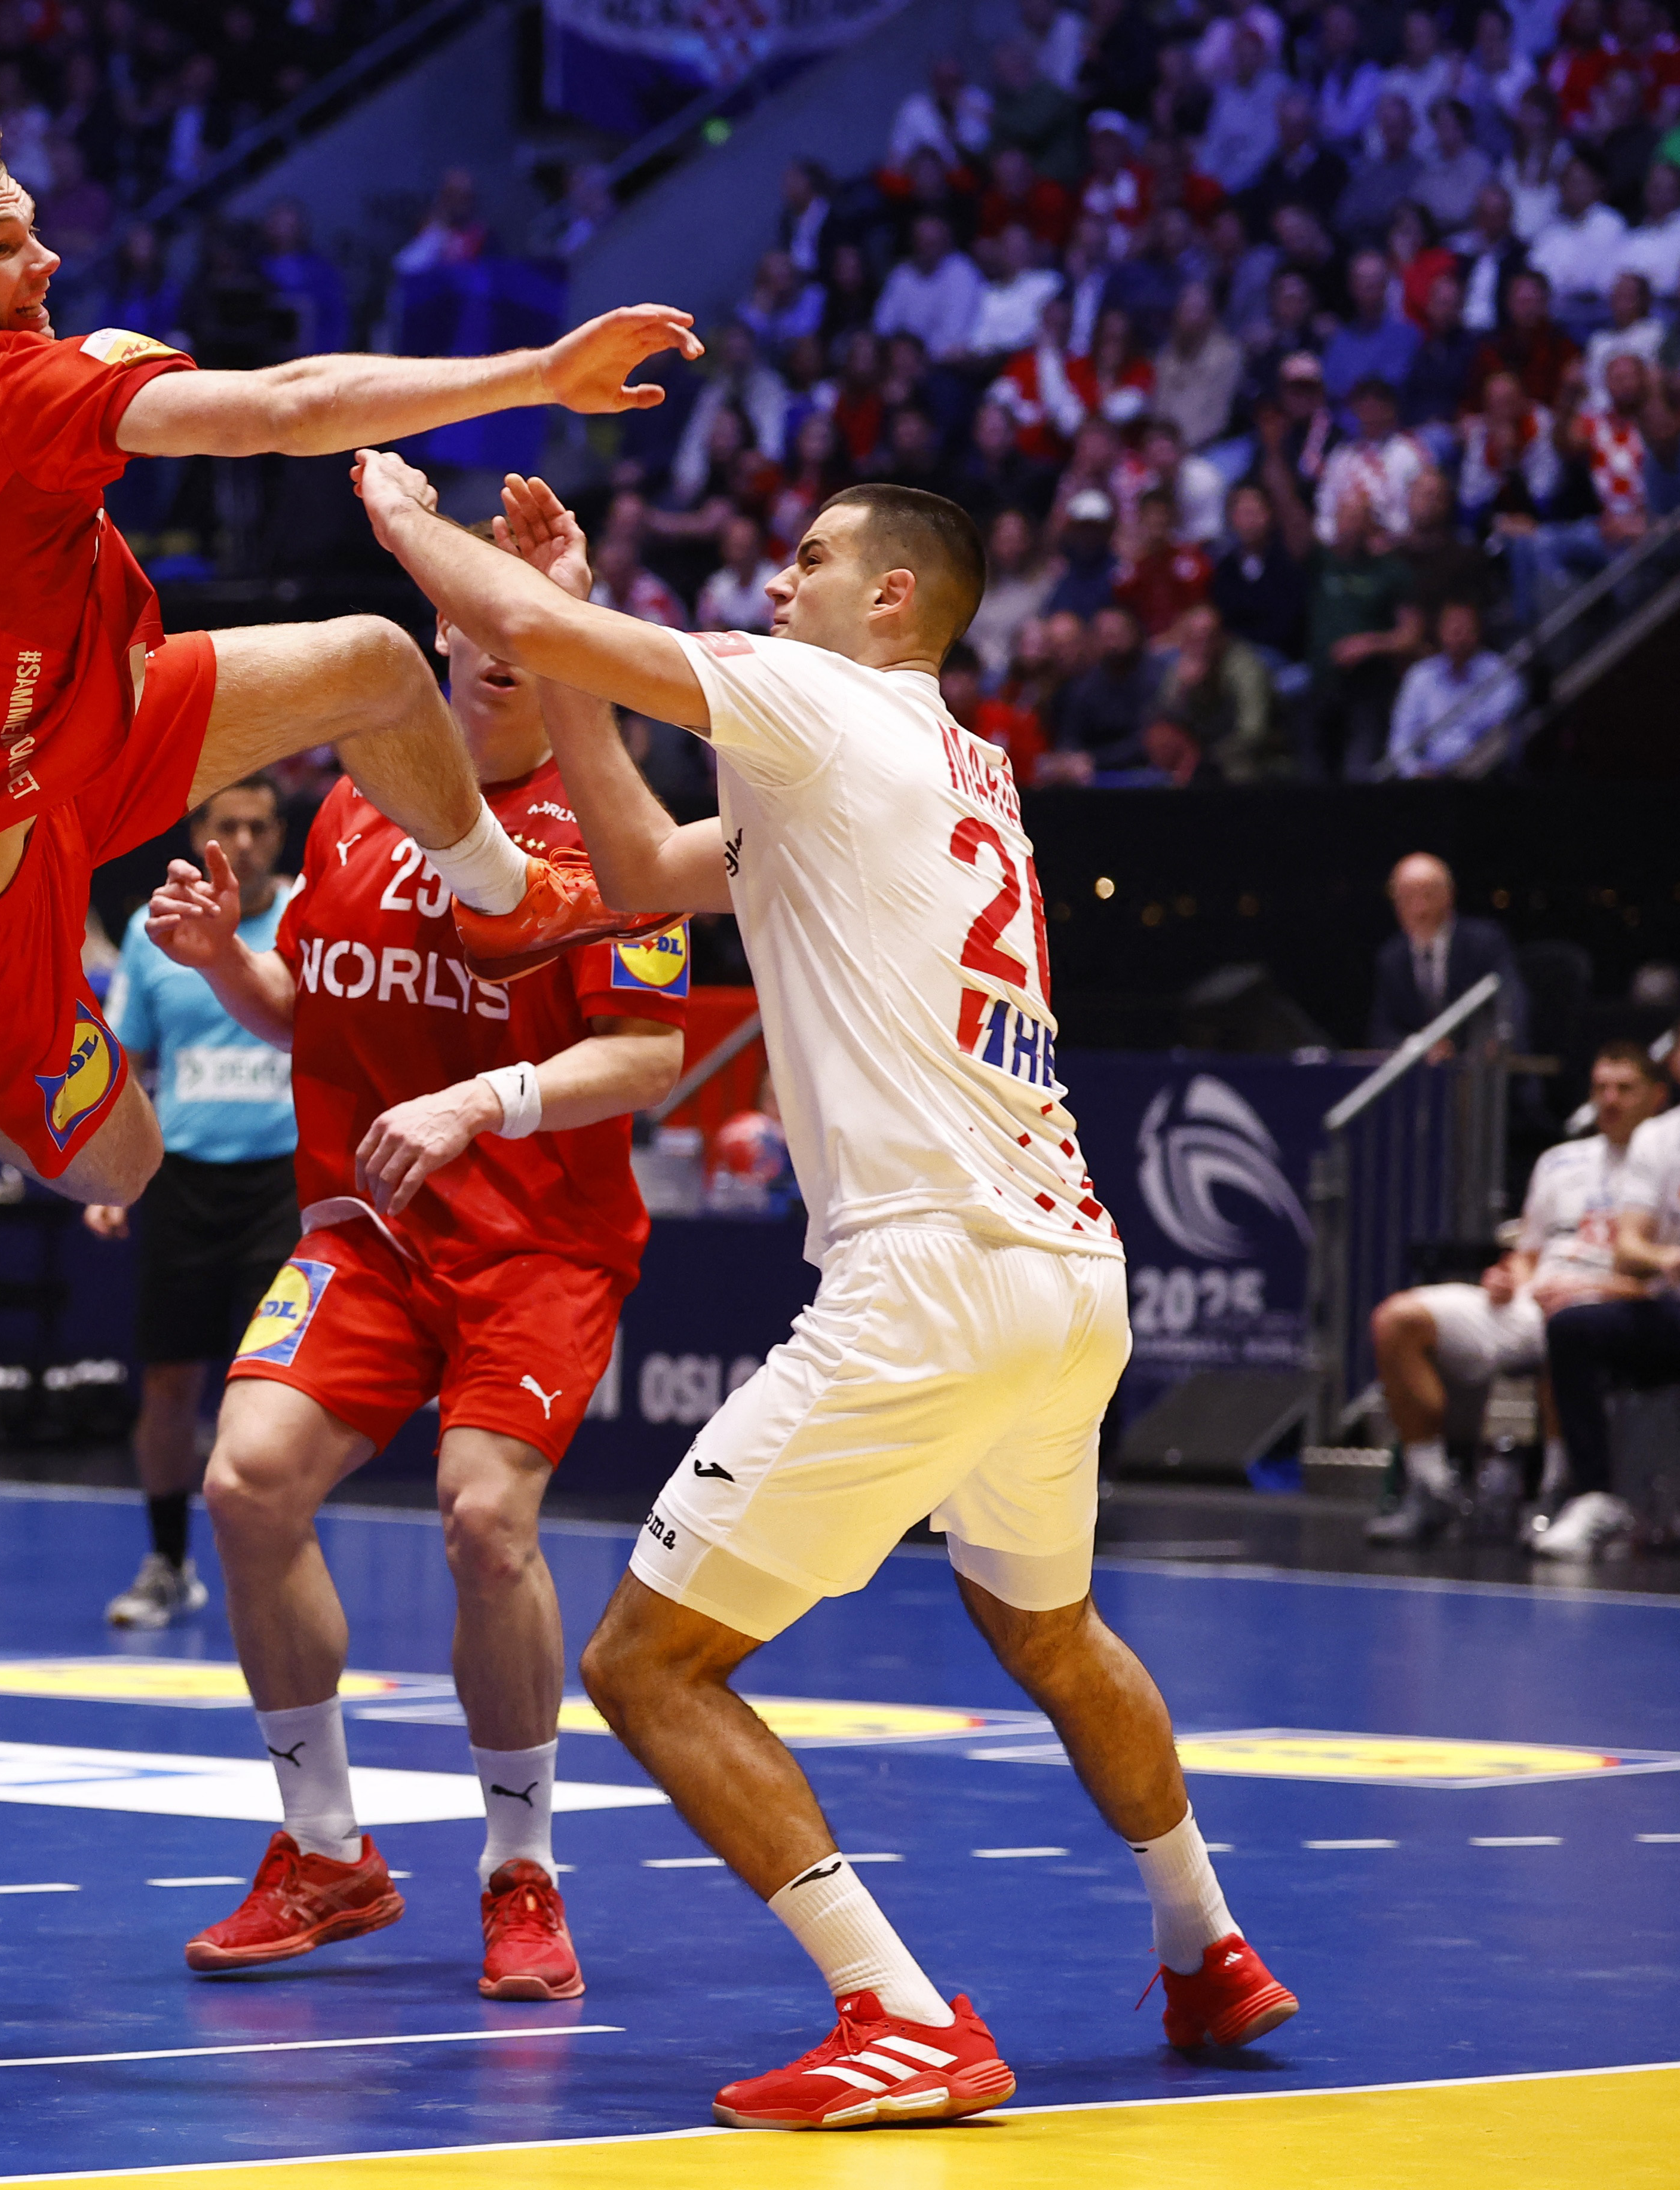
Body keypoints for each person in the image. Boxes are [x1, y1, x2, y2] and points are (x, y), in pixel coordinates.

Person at [352, 462, 1296, 2127]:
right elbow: (640, 862)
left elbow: (496, 622)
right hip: (1068, 1265)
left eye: (804, 561)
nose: (772, 586)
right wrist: (571, 641)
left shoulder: (818, 704)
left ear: (889, 600)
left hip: (929, 1268)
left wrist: (397, 508)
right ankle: (1206, 1948)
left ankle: (898, 2010)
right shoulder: (961, 765)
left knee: (649, 1664)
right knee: (1050, 1628)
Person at [0, 121, 698, 1209]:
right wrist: (538, 375)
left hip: (83, 729)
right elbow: (288, 405)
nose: (46, 263)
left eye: (33, 233)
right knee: (119, 1164)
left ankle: (504, 902)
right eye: (2, 250)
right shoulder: (14, 389)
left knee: (376, 663)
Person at [150, 477, 686, 2005]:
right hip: (369, 1229)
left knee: (480, 1522)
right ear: (440, 629)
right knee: (244, 1480)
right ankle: (323, 1849)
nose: (495, 641)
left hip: (537, 1243)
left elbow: (645, 1059)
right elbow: (316, 1016)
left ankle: (521, 1872)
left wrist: (481, 1100)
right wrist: (228, 968)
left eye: (530, 615)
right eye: (474, 608)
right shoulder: (347, 802)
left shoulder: (608, 821)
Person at [86, 778, 304, 1629]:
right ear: (199, 834)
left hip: (285, 1186)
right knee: (169, 1382)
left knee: (270, 1395)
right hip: (180, 1180)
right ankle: (168, 1562)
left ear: (278, 834)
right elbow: (125, 1062)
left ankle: (274, 1567)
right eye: (228, 827)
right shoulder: (154, 934)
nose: (244, 841)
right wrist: (112, 1174)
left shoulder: (309, 917)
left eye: (258, 826)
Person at [1367, 1042, 1663, 1542]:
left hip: (1613, 1309)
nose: (1610, 1100)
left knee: (1569, 1329)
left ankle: (1556, 1490)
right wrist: (1508, 1275)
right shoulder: (1560, 1160)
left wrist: (1596, 1286)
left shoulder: (1667, 1162)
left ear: (1656, 1096)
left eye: (1625, 1089)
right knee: (1398, 1319)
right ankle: (1431, 1485)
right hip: (1532, 1298)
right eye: (1600, 1088)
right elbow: (1529, 1251)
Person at [1539, 1087, 1680, 1558]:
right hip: (1673, 1307)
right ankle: (1597, 1498)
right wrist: (1666, 1258)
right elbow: (1629, 1248)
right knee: (1573, 1328)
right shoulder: (1660, 1138)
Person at [1370, 849, 1527, 1048]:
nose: (1419, 909)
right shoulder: (1391, 957)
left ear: (1448, 895)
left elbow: (1511, 1003)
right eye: (1407, 898)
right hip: (1422, 1072)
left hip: (1480, 1068)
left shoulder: (1485, 942)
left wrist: (1490, 1044)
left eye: (1428, 895)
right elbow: (1382, 1030)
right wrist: (1418, 1048)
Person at [1387, 596, 1525, 774]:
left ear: (1478, 632)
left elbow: (1500, 718)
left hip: (1489, 770)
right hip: (1436, 779)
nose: (1460, 637)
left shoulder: (1497, 669)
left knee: (1502, 738)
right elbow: (1401, 740)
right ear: (1440, 631)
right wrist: (1416, 770)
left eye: (1467, 629)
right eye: (1454, 629)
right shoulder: (1421, 676)